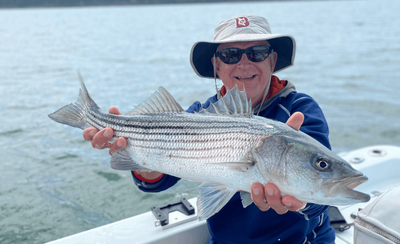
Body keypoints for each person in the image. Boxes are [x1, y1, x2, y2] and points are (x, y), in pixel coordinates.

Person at [83, 15, 335, 243]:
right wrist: (141, 159)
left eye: (257, 53)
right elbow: (156, 182)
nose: (244, 64)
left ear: (272, 60)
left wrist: (301, 202)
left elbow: (320, 191)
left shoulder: (300, 110)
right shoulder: (198, 115)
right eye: (231, 55)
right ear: (217, 65)